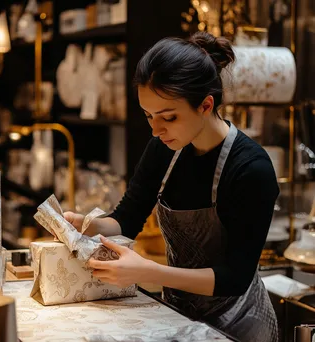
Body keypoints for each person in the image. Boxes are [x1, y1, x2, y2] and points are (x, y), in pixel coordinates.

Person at [64, 31, 279, 342]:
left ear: (206, 105)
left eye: (168, 117)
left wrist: (146, 272)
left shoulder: (250, 169)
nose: (155, 129)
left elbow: (234, 278)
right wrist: (85, 225)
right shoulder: (164, 147)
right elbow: (128, 217)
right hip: (179, 316)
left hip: (240, 324)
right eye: (148, 115)